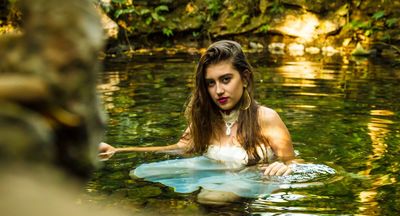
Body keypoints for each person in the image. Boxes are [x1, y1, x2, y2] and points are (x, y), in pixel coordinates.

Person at [99, 40, 295, 177]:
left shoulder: (266, 118)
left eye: (226, 79)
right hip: (214, 178)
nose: (218, 90)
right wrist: (118, 150)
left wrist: (284, 167)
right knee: (141, 173)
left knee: (214, 197)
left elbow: (294, 163)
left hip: (255, 183)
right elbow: (179, 148)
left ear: (244, 78)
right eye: (211, 83)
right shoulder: (206, 119)